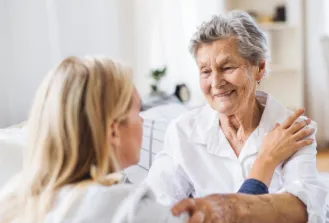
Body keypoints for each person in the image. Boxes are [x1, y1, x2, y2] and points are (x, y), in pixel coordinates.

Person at [0, 56, 313, 223]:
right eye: (137, 111)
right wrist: (266, 161)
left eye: (227, 67)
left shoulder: (14, 197)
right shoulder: (129, 209)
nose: (144, 120)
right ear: (112, 130)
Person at [144, 11, 329, 223]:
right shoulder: (182, 131)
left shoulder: (293, 130)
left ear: (259, 68)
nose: (216, 82)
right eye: (205, 71)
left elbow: (304, 212)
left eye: (227, 67)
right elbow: (155, 209)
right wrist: (266, 161)